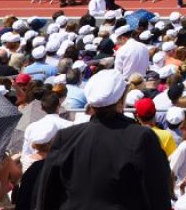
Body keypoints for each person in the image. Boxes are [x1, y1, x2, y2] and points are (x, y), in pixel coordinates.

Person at [35, 68, 173, 210]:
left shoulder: (65, 137)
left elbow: (46, 195)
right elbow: (158, 194)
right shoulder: (141, 138)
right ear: (121, 99)